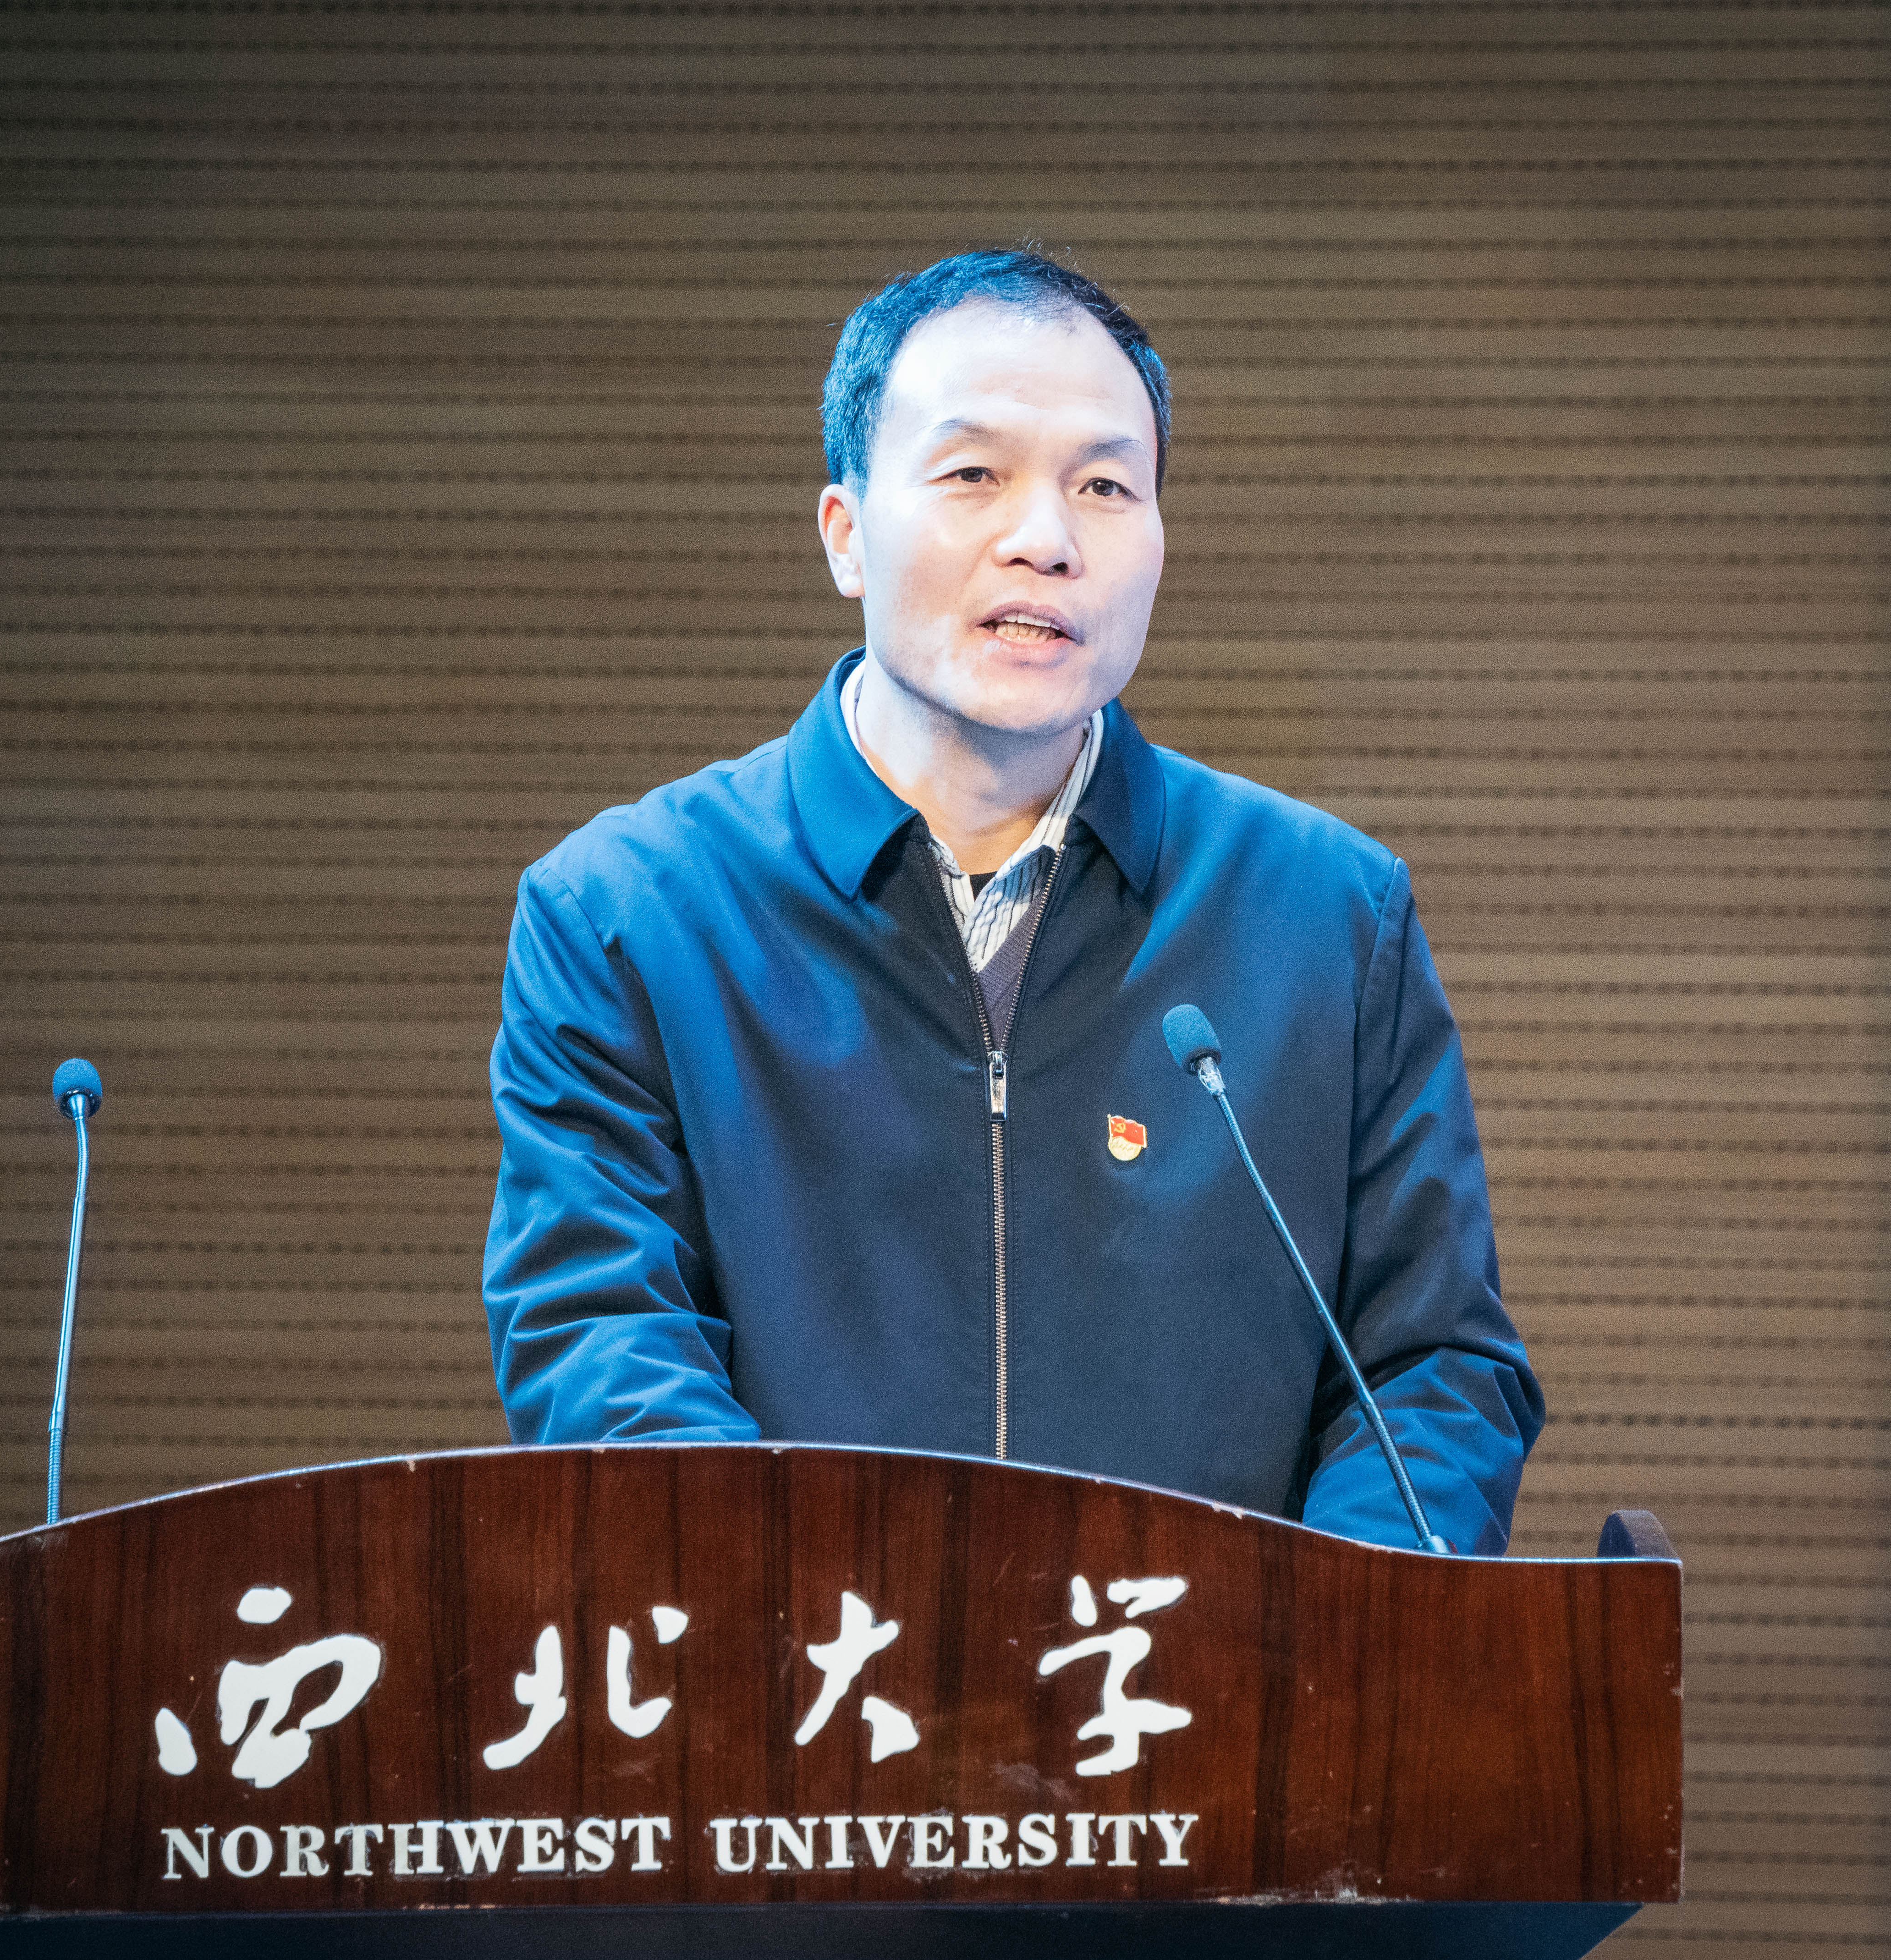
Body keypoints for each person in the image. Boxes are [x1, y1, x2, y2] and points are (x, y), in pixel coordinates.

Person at [480, 249, 1543, 1554]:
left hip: (1214, 1677)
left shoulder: (1328, 916)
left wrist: (1305, 1646)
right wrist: (834, 1629)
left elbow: (1433, 1373)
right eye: (974, 474)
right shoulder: (626, 915)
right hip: (810, 1667)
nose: (1045, 538)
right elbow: (600, 1346)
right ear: (846, 534)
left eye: (1105, 487)